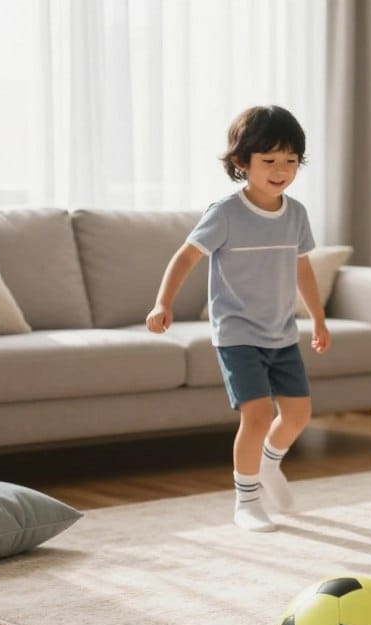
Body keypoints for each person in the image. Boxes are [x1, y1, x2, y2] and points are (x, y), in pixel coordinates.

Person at [146, 105, 330, 533]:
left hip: (282, 332)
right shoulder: (226, 212)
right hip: (237, 333)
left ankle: (268, 465)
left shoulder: (296, 214)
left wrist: (318, 319)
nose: (280, 170)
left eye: (290, 161)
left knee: (299, 414)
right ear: (240, 163)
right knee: (257, 415)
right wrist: (162, 303)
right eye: (269, 161)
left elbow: (303, 268)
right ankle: (246, 500)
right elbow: (185, 256)